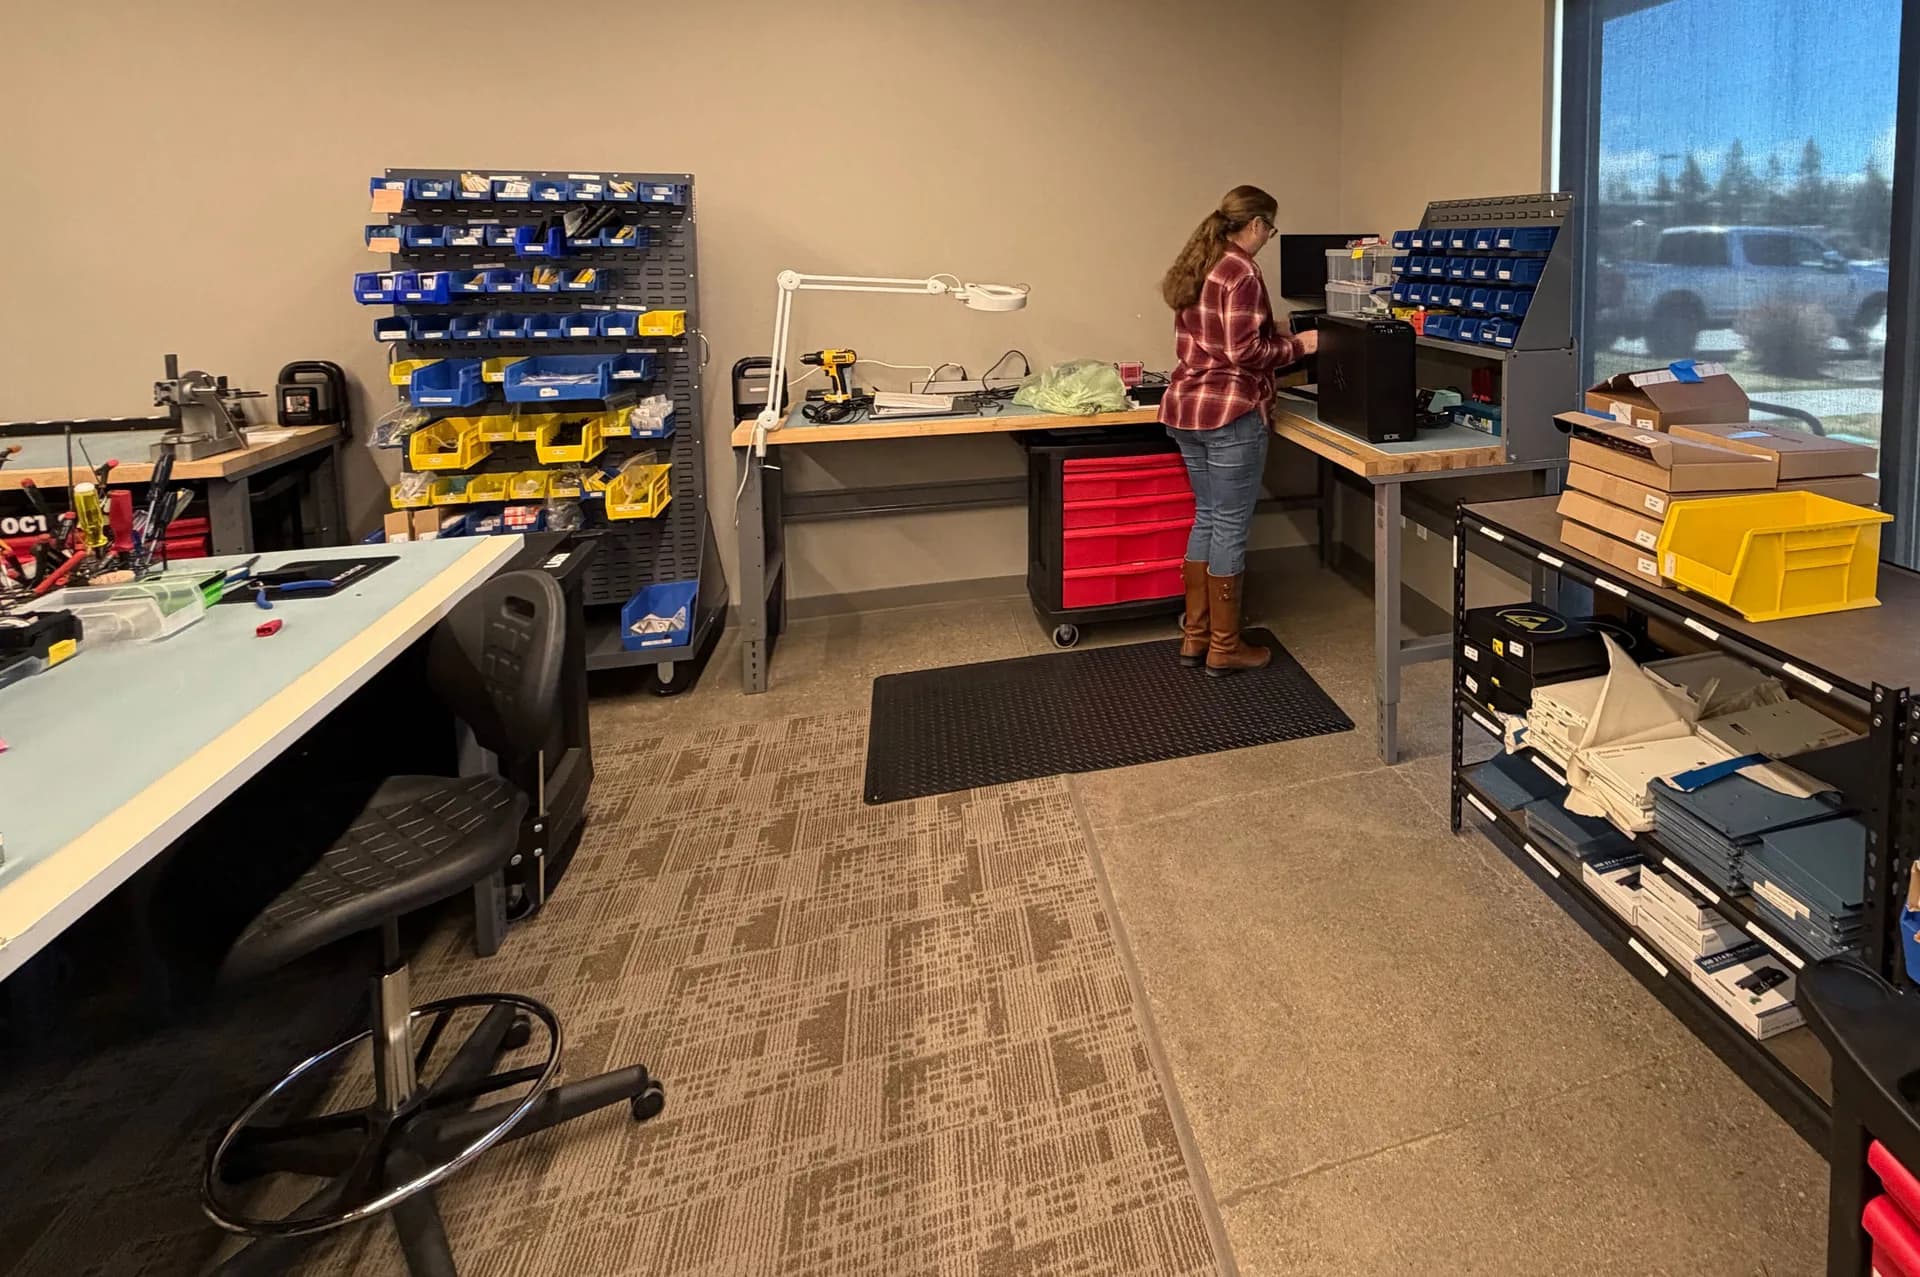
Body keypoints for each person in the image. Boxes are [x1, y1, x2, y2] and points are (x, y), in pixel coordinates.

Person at [1157, 185, 1315, 676]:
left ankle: (1195, 636)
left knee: (1207, 517)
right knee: (1228, 525)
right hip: (1230, 412)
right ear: (1256, 224)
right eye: (1270, 228)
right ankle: (1225, 647)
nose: (1268, 237)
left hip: (1187, 408)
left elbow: (1217, 338)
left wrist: (1277, 329)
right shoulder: (1242, 270)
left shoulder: (1201, 262)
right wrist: (1302, 346)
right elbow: (1245, 353)